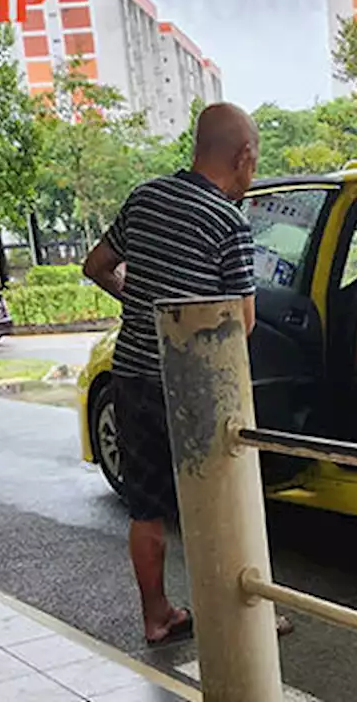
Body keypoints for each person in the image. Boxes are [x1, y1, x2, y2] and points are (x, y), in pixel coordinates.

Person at [83, 102, 291, 644]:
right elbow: (240, 323)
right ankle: (243, 611)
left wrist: (145, 303)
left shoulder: (144, 198)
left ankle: (157, 616)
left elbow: (96, 265)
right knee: (222, 501)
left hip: (132, 374)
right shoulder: (229, 221)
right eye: (255, 161)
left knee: (147, 505)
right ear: (243, 157)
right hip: (195, 386)